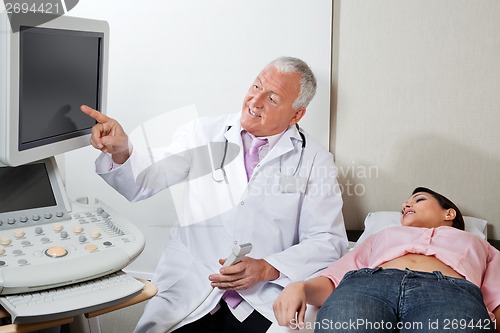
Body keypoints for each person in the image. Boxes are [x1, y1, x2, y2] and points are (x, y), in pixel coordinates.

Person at [80, 56, 348, 333]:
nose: (255, 101)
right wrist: (122, 149)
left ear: (296, 114)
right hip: (192, 284)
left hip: (264, 296)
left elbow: (328, 240)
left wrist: (268, 267)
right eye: (256, 87)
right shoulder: (203, 134)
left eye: (272, 99)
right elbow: (145, 179)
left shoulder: (315, 159)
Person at [273, 187, 500, 333]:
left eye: (418, 200)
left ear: (449, 213)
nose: (406, 205)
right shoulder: (382, 236)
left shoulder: (479, 244)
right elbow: (333, 280)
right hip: (368, 287)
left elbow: (497, 299)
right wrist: (300, 287)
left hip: (449, 295)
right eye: (404, 205)